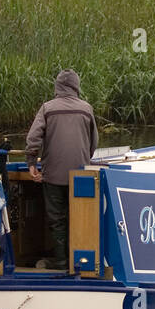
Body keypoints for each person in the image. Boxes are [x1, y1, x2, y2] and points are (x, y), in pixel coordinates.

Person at [25, 69, 97, 270]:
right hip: (82, 177)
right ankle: (81, 259)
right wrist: (84, 160)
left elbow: (33, 138)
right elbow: (93, 143)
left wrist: (32, 162)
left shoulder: (47, 109)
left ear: (57, 86)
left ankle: (61, 259)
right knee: (78, 215)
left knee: (57, 219)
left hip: (53, 176)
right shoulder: (87, 109)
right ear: (76, 86)